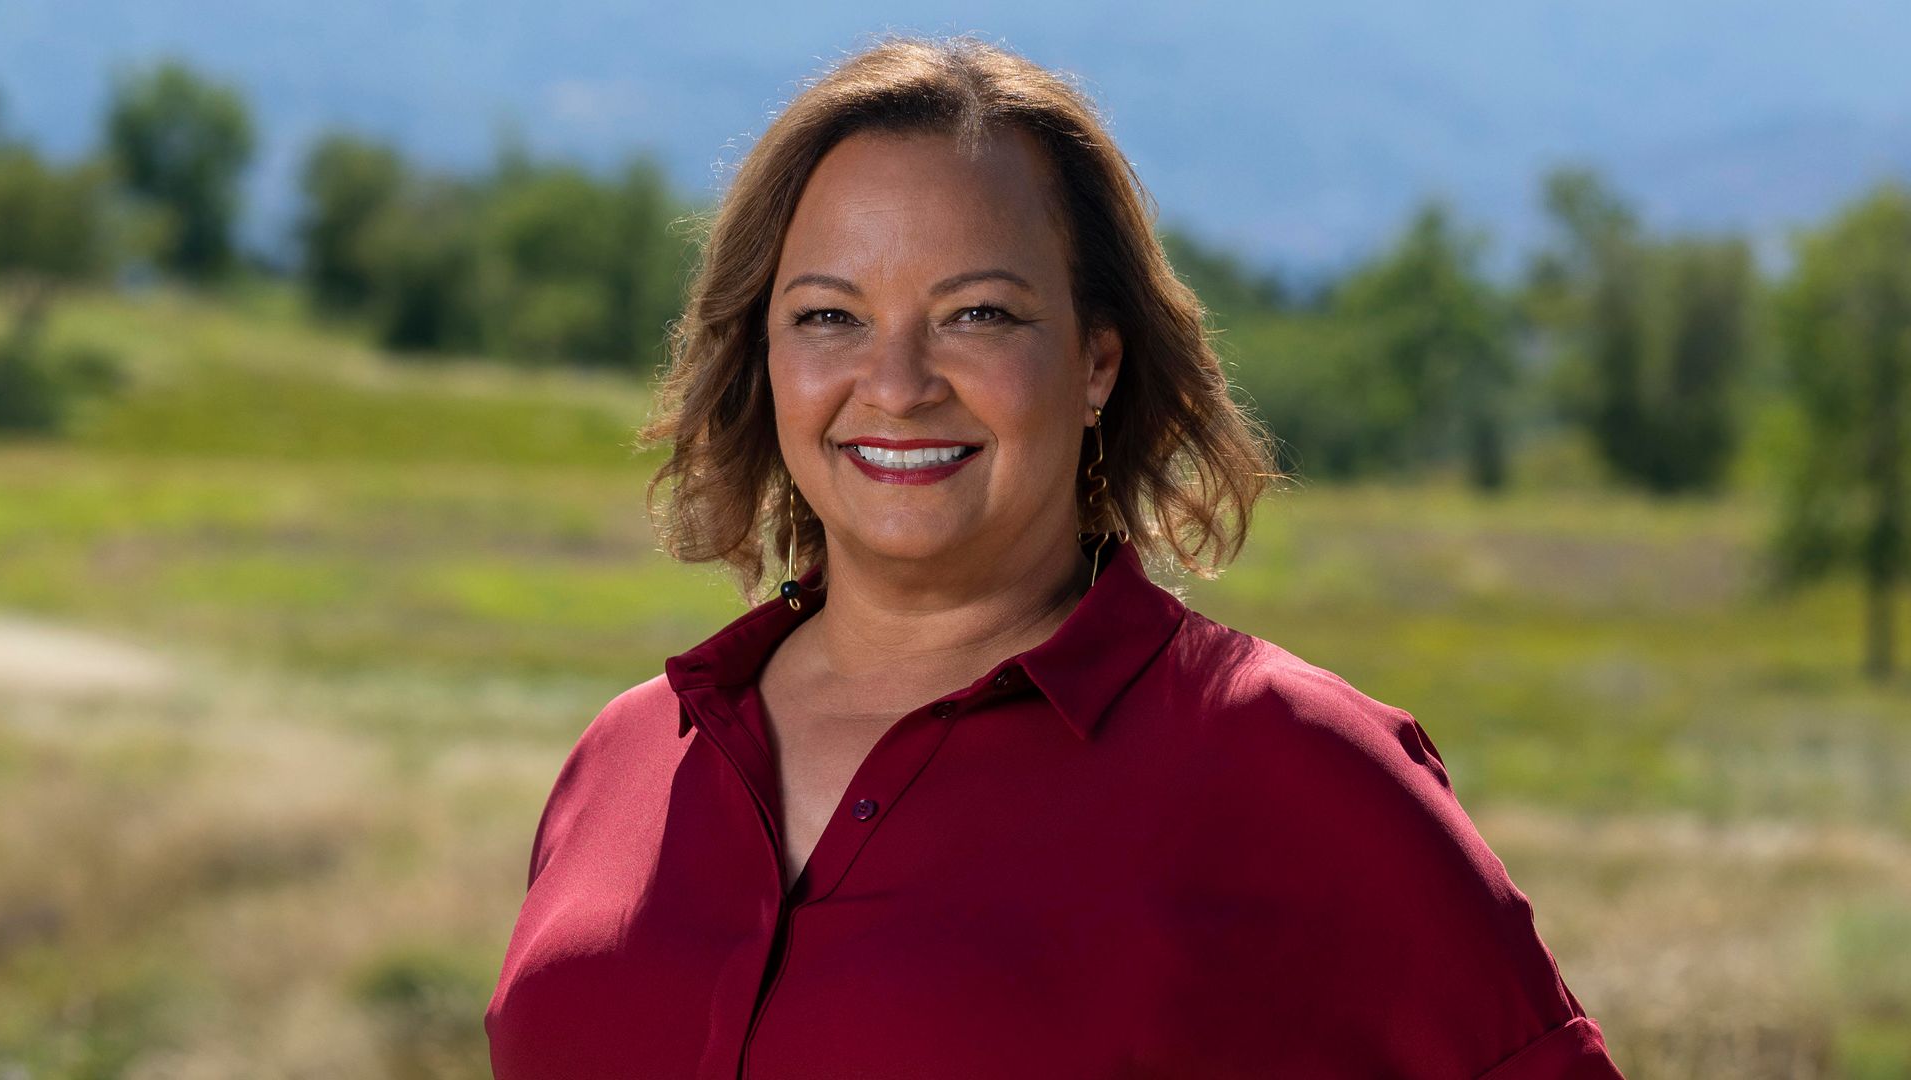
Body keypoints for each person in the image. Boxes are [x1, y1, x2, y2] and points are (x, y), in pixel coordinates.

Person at [484, 33, 1625, 1080]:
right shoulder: (630, 755)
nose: (896, 383)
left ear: (1096, 363)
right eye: (829, 316)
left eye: (978, 314)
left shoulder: (1288, 763)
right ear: (763, 355)